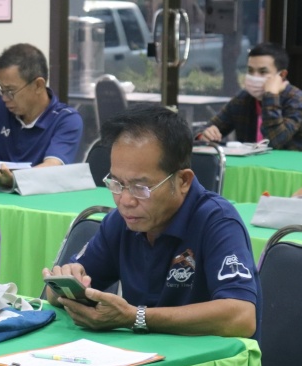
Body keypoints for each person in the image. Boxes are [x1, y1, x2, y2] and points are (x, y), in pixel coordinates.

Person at [45, 103, 262, 339]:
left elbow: (241, 317)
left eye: (140, 187)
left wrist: (136, 317)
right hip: (141, 355)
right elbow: (53, 294)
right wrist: (65, 285)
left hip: (209, 360)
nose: (125, 200)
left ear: (183, 181)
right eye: (116, 183)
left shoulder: (217, 221)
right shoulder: (121, 222)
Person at [0, 43, 83, 188]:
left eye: (10, 91)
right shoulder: (0, 106)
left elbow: (53, 167)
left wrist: (15, 180)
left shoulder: (66, 119)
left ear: (38, 85)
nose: (4, 98)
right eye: (1, 90)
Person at [198, 42, 302, 150]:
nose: (254, 77)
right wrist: (204, 135)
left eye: (262, 72)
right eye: (250, 70)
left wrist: (271, 96)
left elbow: (275, 141)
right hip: (251, 161)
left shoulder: (297, 101)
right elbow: (204, 129)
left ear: (282, 75)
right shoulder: (243, 98)